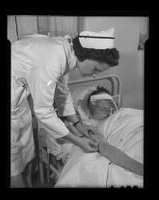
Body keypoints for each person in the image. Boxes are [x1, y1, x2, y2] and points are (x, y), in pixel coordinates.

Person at [11, 28, 119, 187]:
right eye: (96, 69)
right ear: (89, 55)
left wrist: (79, 125)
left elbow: (62, 93)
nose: (95, 75)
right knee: (14, 166)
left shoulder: (65, 51)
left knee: (26, 155)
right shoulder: (53, 58)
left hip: (19, 102)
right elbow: (44, 112)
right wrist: (77, 141)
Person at [55, 86, 143, 187]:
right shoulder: (87, 126)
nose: (111, 103)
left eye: (111, 101)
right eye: (107, 100)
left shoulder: (123, 114)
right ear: (94, 101)